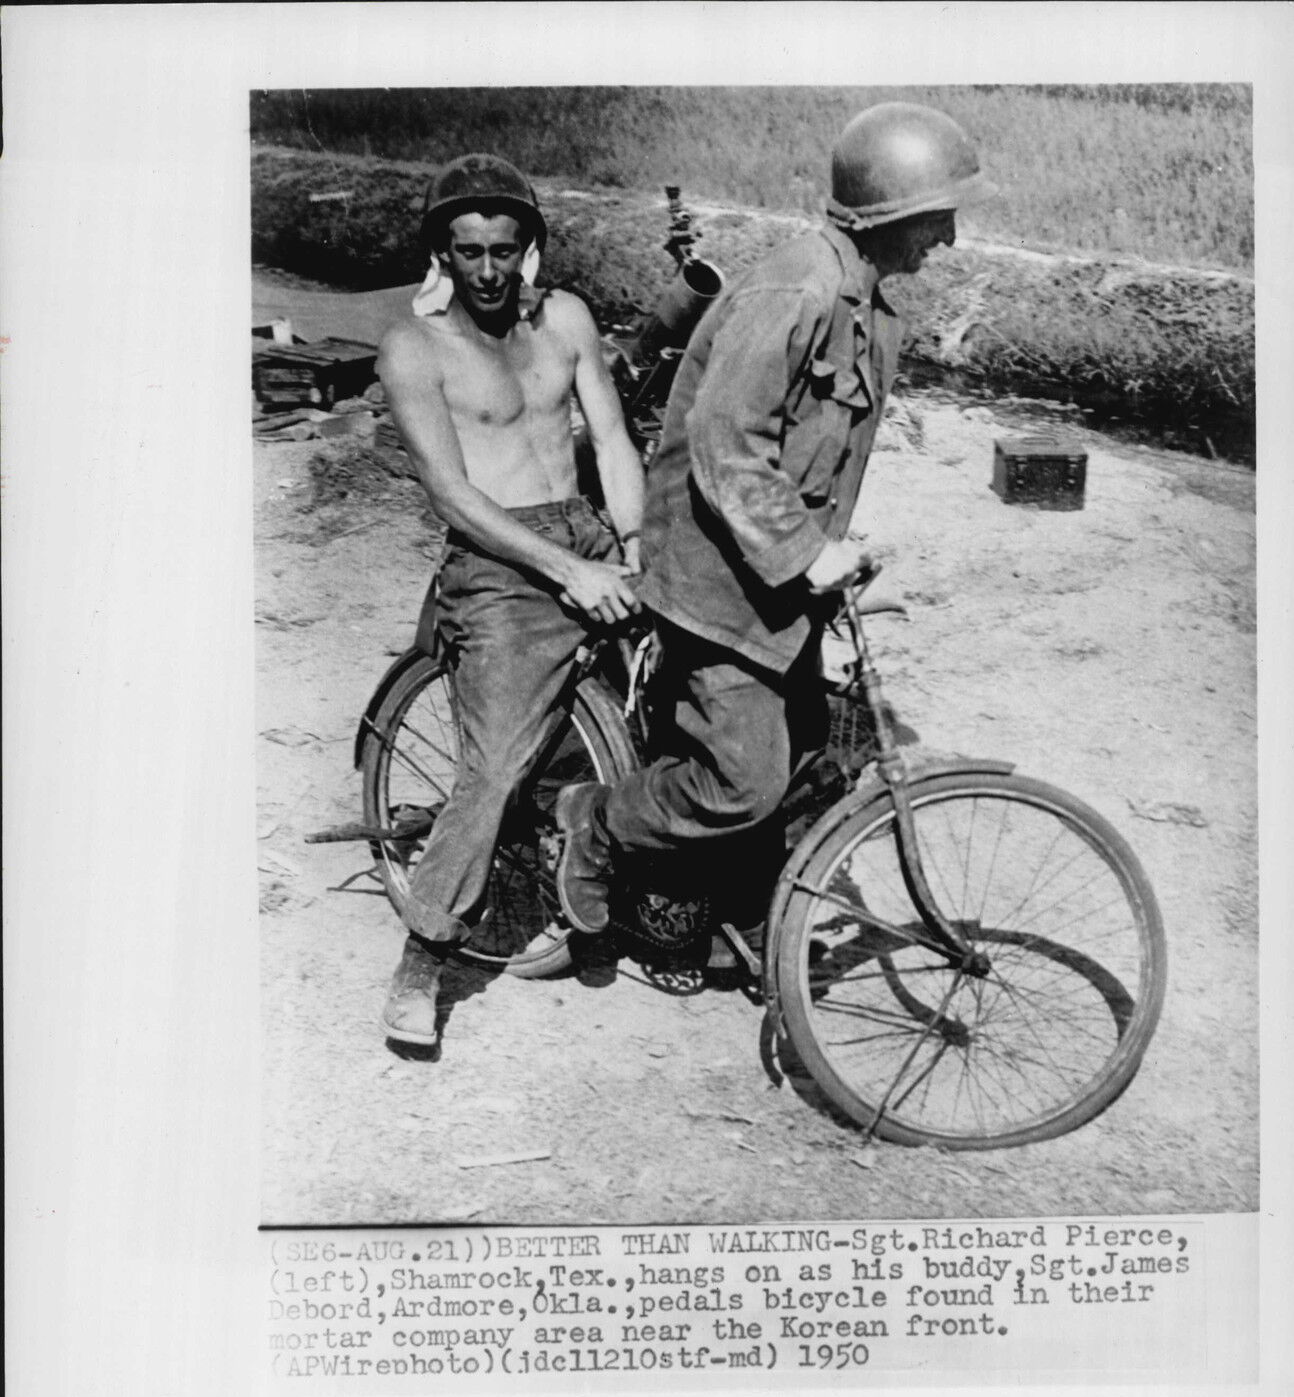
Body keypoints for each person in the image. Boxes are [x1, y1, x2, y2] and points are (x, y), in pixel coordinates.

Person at [553, 102, 996, 944]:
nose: (948, 241)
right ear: (887, 214)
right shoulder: (798, 290)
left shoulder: (867, 308)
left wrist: (825, 558)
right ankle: (599, 820)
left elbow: (813, 455)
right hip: (716, 582)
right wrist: (805, 553)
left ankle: (741, 913)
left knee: (800, 752)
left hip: (775, 584)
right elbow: (727, 440)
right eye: (938, 218)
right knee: (740, 785)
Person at [378, 153, 645, 1044]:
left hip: (588, 535)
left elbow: (610, 439)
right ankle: (423, 960)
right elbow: (453, 496)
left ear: (528, 247)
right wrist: (568, 573)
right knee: (492, 770)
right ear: (441, 256)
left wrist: (634, 546)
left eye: (504, 249)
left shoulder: (565, 318)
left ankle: (685, 900)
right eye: (468, 253)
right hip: (498, 565)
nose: (488, 271)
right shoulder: (414, 347)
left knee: (702, 682)